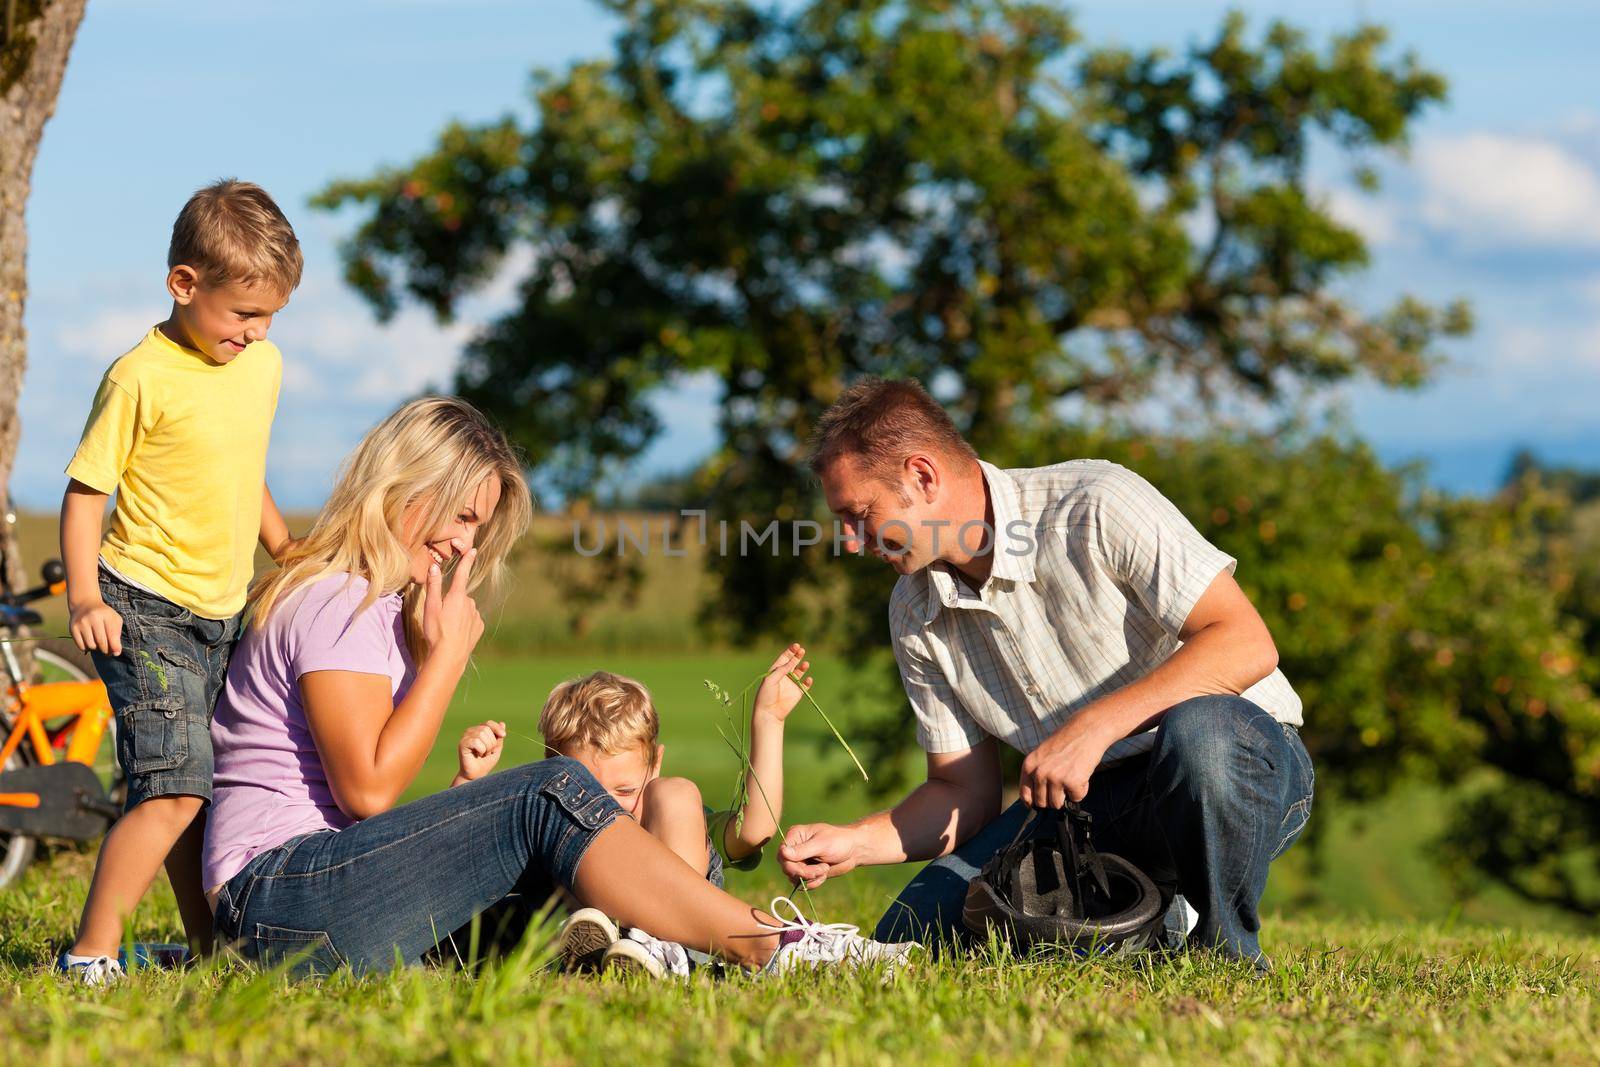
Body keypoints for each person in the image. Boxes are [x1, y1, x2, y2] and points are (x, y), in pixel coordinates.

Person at [202, 397, 916, 978]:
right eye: (463, 516)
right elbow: (366, 790)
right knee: (550, 789)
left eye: (478, 528)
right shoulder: (339, 600)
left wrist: (425, 658)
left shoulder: (361, 606)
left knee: (595, 854)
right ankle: (773, 946)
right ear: (407, 490)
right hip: (284, 899)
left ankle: (650, 942)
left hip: (304, 902)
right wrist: (445, 660)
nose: (463, 547)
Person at [778, 378, 1315, 965]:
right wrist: (856, 841)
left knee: (1202, 734)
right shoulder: (913, 610)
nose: (852, 543)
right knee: (909, 936)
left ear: (922, 476)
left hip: (1234, 769)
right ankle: (1137, 918)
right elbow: (964, 792)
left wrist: (1094, 728)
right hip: (1080, 815)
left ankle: (1221, 949)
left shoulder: (1097, 503)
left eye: (859, 515)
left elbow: (1245, 643)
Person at [57, 180, 303, 984]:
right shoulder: (139, 376)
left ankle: (212, 952)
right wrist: (86, 598)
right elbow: (88, 491)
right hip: (140, 606)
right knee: (172, 784)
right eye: (242, 313)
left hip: (222, 613)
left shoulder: (260, 366)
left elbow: (243, 466)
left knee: (201, 789)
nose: (256, 331)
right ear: (184, 285)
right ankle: (91, 953)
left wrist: (284, 547)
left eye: (269, 315)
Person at [536, 645, 811, 976]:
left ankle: (667, 947)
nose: (603, 803)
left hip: (685, 938)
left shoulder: (667, 817)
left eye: (625, 790)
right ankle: (598, 942)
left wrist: (769, 720)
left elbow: (753, 831)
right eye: (585, 792)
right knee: (553, 827)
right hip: (581, 920)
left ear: (654, 764)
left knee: (676, 792)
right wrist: (470, 778)